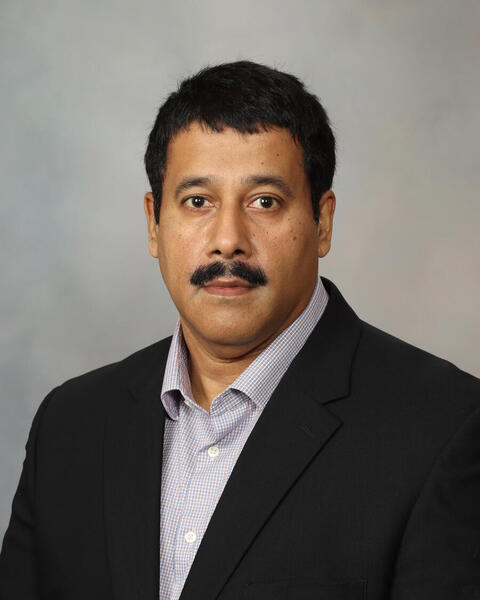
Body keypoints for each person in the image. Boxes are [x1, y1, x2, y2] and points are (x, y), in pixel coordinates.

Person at [0, 60, 479, 600]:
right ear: (154, 223)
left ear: (322, 222)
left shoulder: (444, 428)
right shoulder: (69, 426)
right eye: (197, 202)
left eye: (264, 202)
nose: (227, 240)